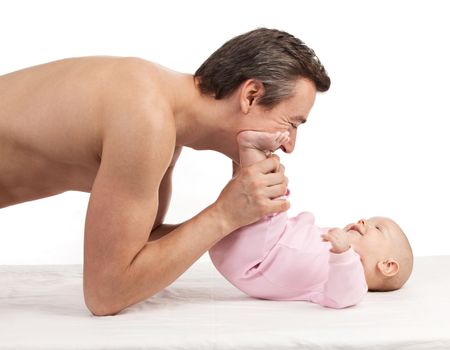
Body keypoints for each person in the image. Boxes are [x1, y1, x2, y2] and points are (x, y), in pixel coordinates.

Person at [0, 28, 330, 315]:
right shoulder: (148, 119)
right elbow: (105, 293)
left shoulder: (162, 114)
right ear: (251, 95)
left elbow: (135, 248)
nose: (289, 146)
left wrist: (240, 221)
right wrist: (223, 216)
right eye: (291, 123)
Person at [209, 130, 414, 308]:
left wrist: (343, 254)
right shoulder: (332, 243)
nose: (362, 221)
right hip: (255, 247)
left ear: (387, 265)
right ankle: (247, 153)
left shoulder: (355, 282)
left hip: (256, 261)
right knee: (256, 193)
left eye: (377, 228)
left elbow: (341, 296)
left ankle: (250, 148)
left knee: (268, 200)